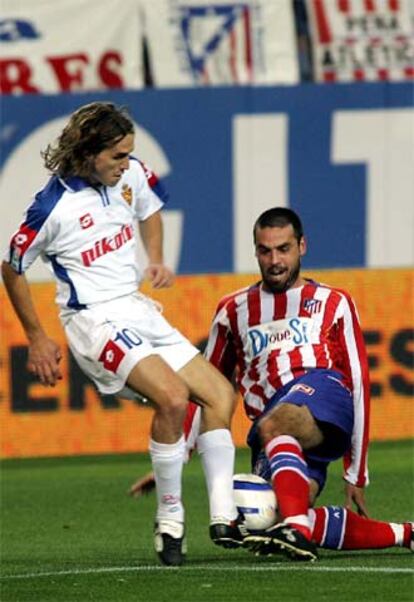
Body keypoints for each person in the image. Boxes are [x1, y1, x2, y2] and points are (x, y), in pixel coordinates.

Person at [1, 101, 242, 567]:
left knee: (220, 395)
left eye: (129, 155)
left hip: (137, 308)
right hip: (94, 320)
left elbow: (150, 206)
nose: (126, 164)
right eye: (117, 156)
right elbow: (12, 269)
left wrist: (155, 256)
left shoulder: (131, 174)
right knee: (173, 398)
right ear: (89, 152)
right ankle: (170, 517)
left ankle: (223, 515)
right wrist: (37, 337)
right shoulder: (53, 207)